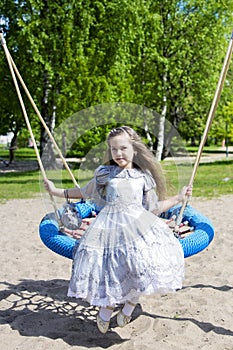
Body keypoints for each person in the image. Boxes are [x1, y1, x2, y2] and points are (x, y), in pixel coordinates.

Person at [44, 126, 192, 334]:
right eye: (114, 149)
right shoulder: (105, 174)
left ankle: (130, 305)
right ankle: (107, 307)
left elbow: (153, 208)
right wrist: (56, 191)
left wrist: (179, 198)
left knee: (138, 265)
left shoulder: (143, 177)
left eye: (123, 148)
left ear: (135, 149)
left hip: (138, 225)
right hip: (109, 226)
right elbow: (84, 192)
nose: (118, 153)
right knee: (111, 267)